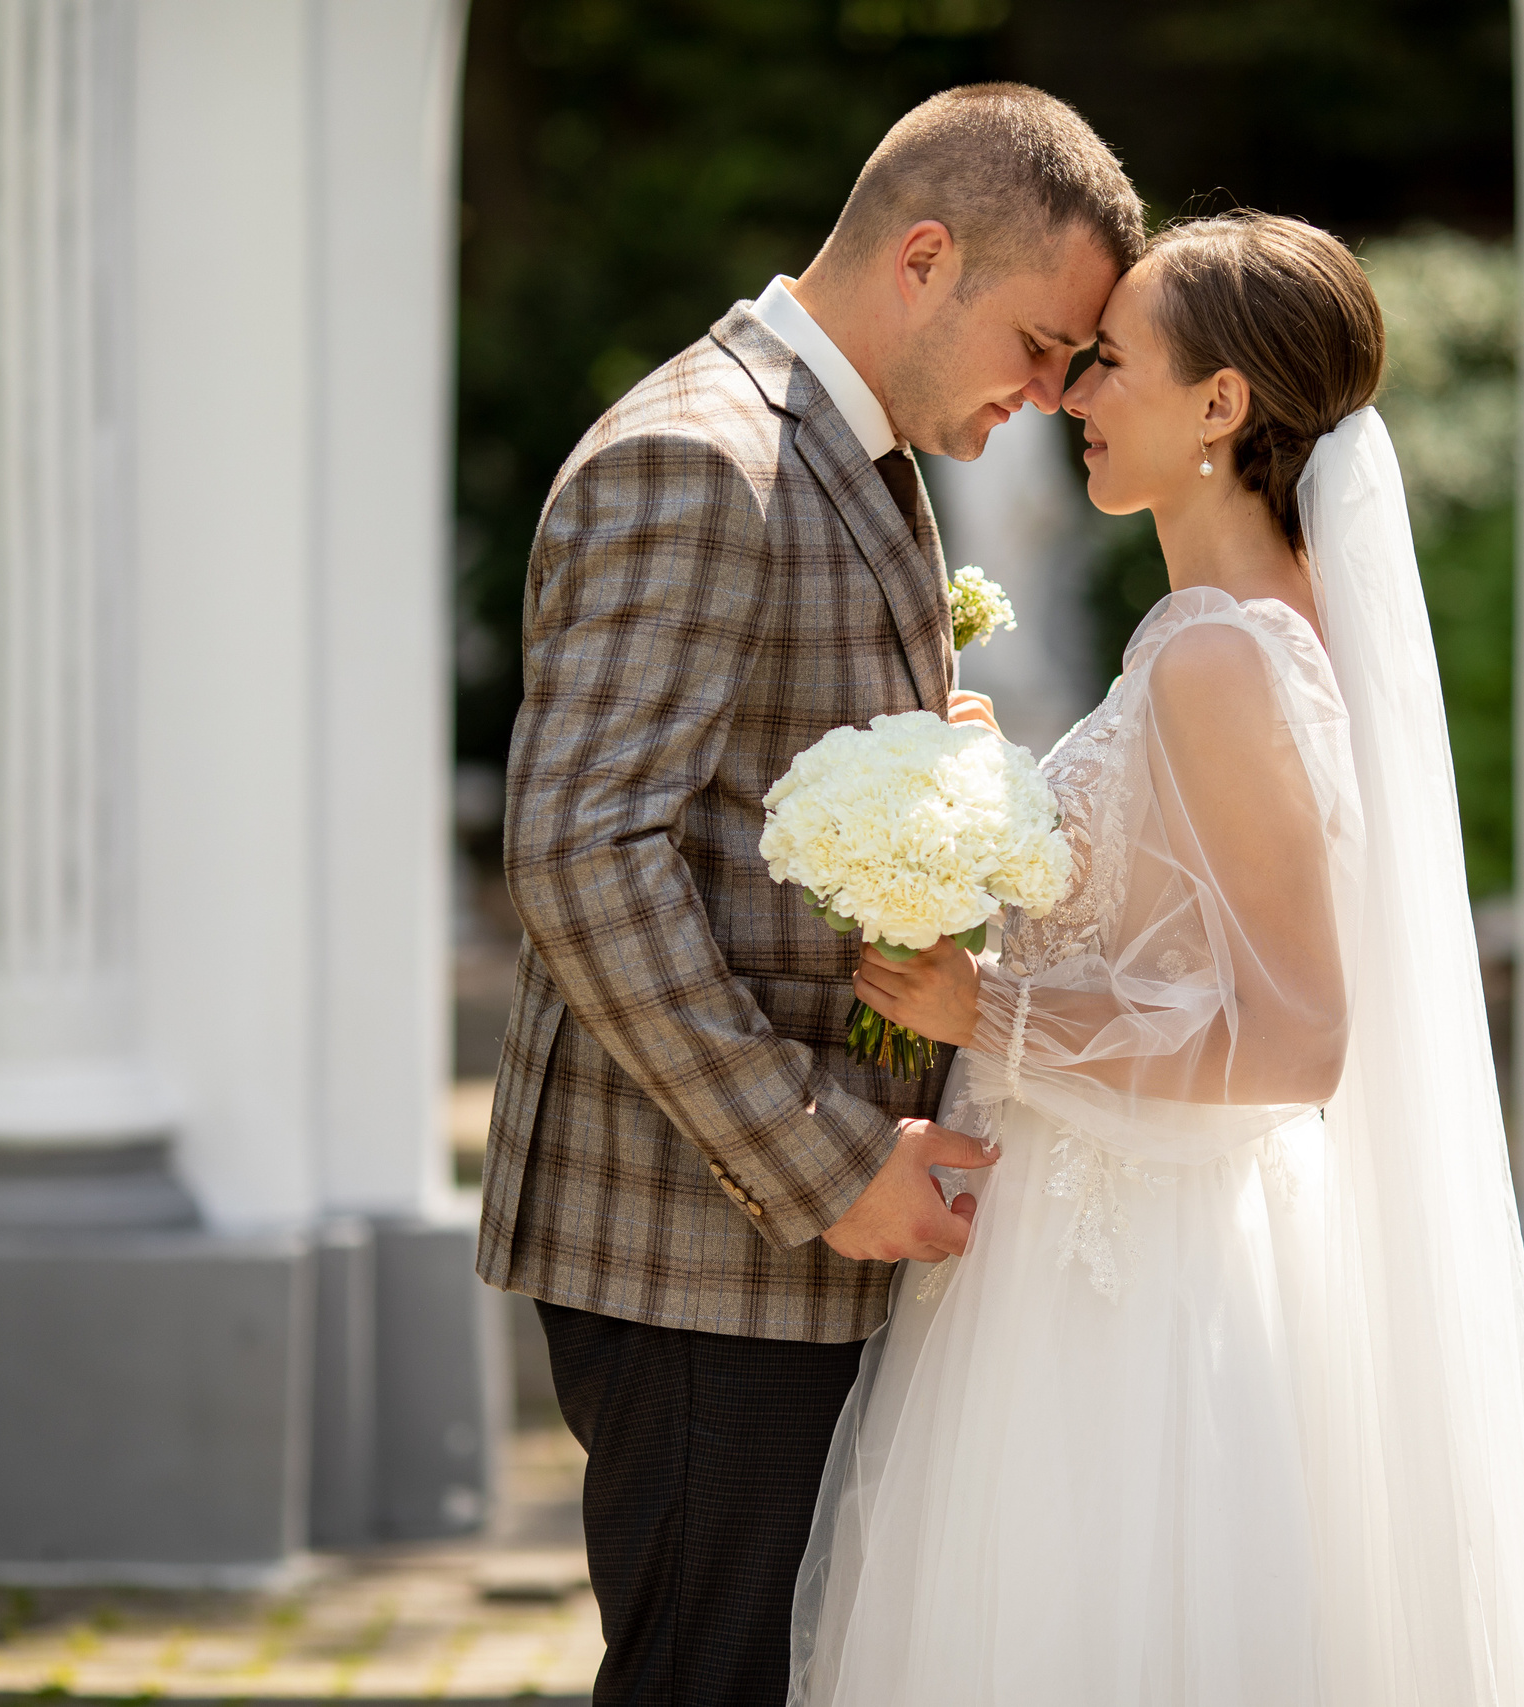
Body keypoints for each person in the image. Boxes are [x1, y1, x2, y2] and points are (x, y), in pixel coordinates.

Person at [794, 212, 1524, 1705]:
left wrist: (990, 1004)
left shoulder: (1218, 656)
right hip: (1135, 1224)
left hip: (1137, 1273)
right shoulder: (1237, 634)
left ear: (1222, 407)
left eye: (1110, 365)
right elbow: (1186, 917)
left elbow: (1300, 1037)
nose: (1070, 396)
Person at [474, 84, 1142, 1707]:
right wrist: (835, 1164)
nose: (1052, 397)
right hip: (701, 1240)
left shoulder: (843, 446)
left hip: (777, 1242)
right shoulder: (696, 459)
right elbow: (581, 854)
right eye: (1046, 345)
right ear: (926, 257)